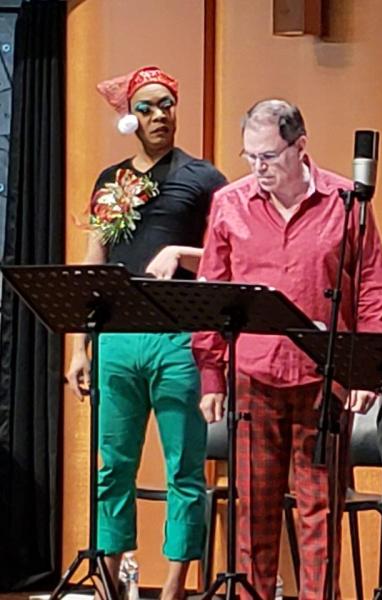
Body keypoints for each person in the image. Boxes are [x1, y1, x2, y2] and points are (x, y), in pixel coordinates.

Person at [191, 99, 382, 599]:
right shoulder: (229, 204)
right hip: (253, 374)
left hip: (324, 379)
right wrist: (211, 374)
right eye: (250, 157)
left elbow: (372, 289)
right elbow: (210, 292)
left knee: (320, 510)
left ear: (300, 147)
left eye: (269, 157)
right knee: (253, 509)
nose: (258, 169)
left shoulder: (348, 201)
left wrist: (365, 370)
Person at [65, 65, 227, 599]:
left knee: (185, 468)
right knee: (114, 466)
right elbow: (93, 263)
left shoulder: (203, 178)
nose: (159, 116)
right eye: (147, 108)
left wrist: (183, 253)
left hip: (180, 339)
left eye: (167, 105)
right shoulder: (111, 181)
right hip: (116, 339)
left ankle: (178, 587)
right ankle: (112, 579)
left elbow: (236, 259)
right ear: (128, 119)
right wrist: (80, 346)